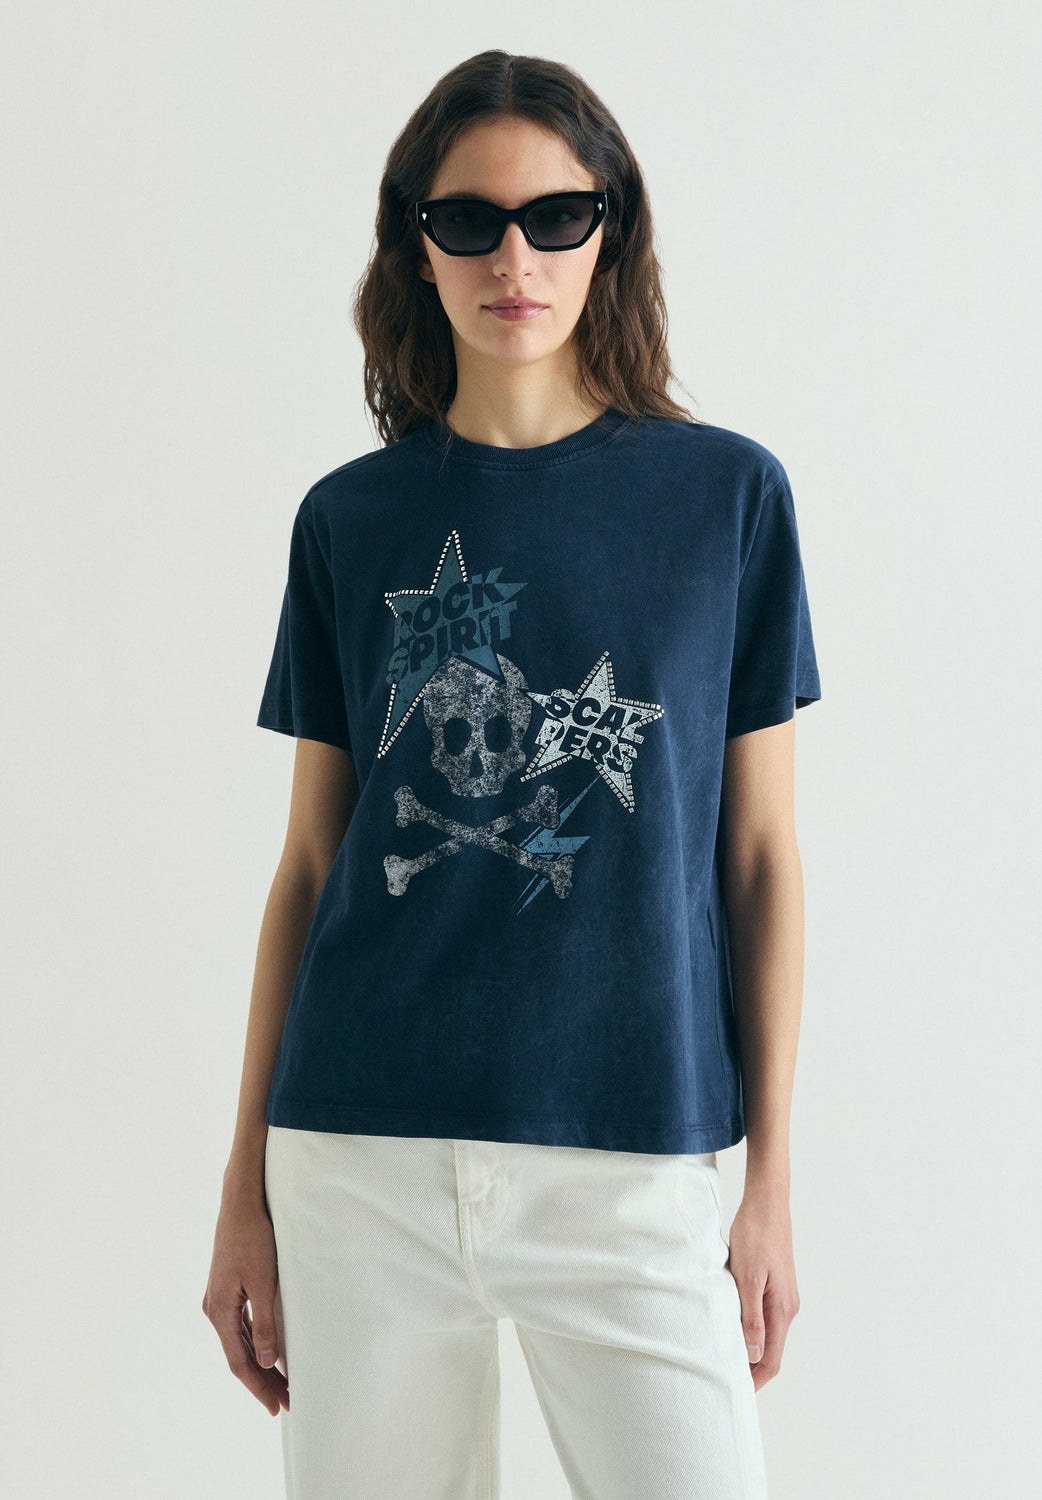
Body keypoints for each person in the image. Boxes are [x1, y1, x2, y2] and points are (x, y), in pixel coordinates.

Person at [203, 48, 822, 1500]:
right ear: (415, 244)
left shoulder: (725, 499)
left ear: (612, 230)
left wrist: (772, 1183)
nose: (514, 258)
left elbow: (758, 859)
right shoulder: (350, 520)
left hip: (630, 1155)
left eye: (556, 215)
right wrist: (244, 1190)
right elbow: (311, 866)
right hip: (359, 1158)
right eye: (468, 220)